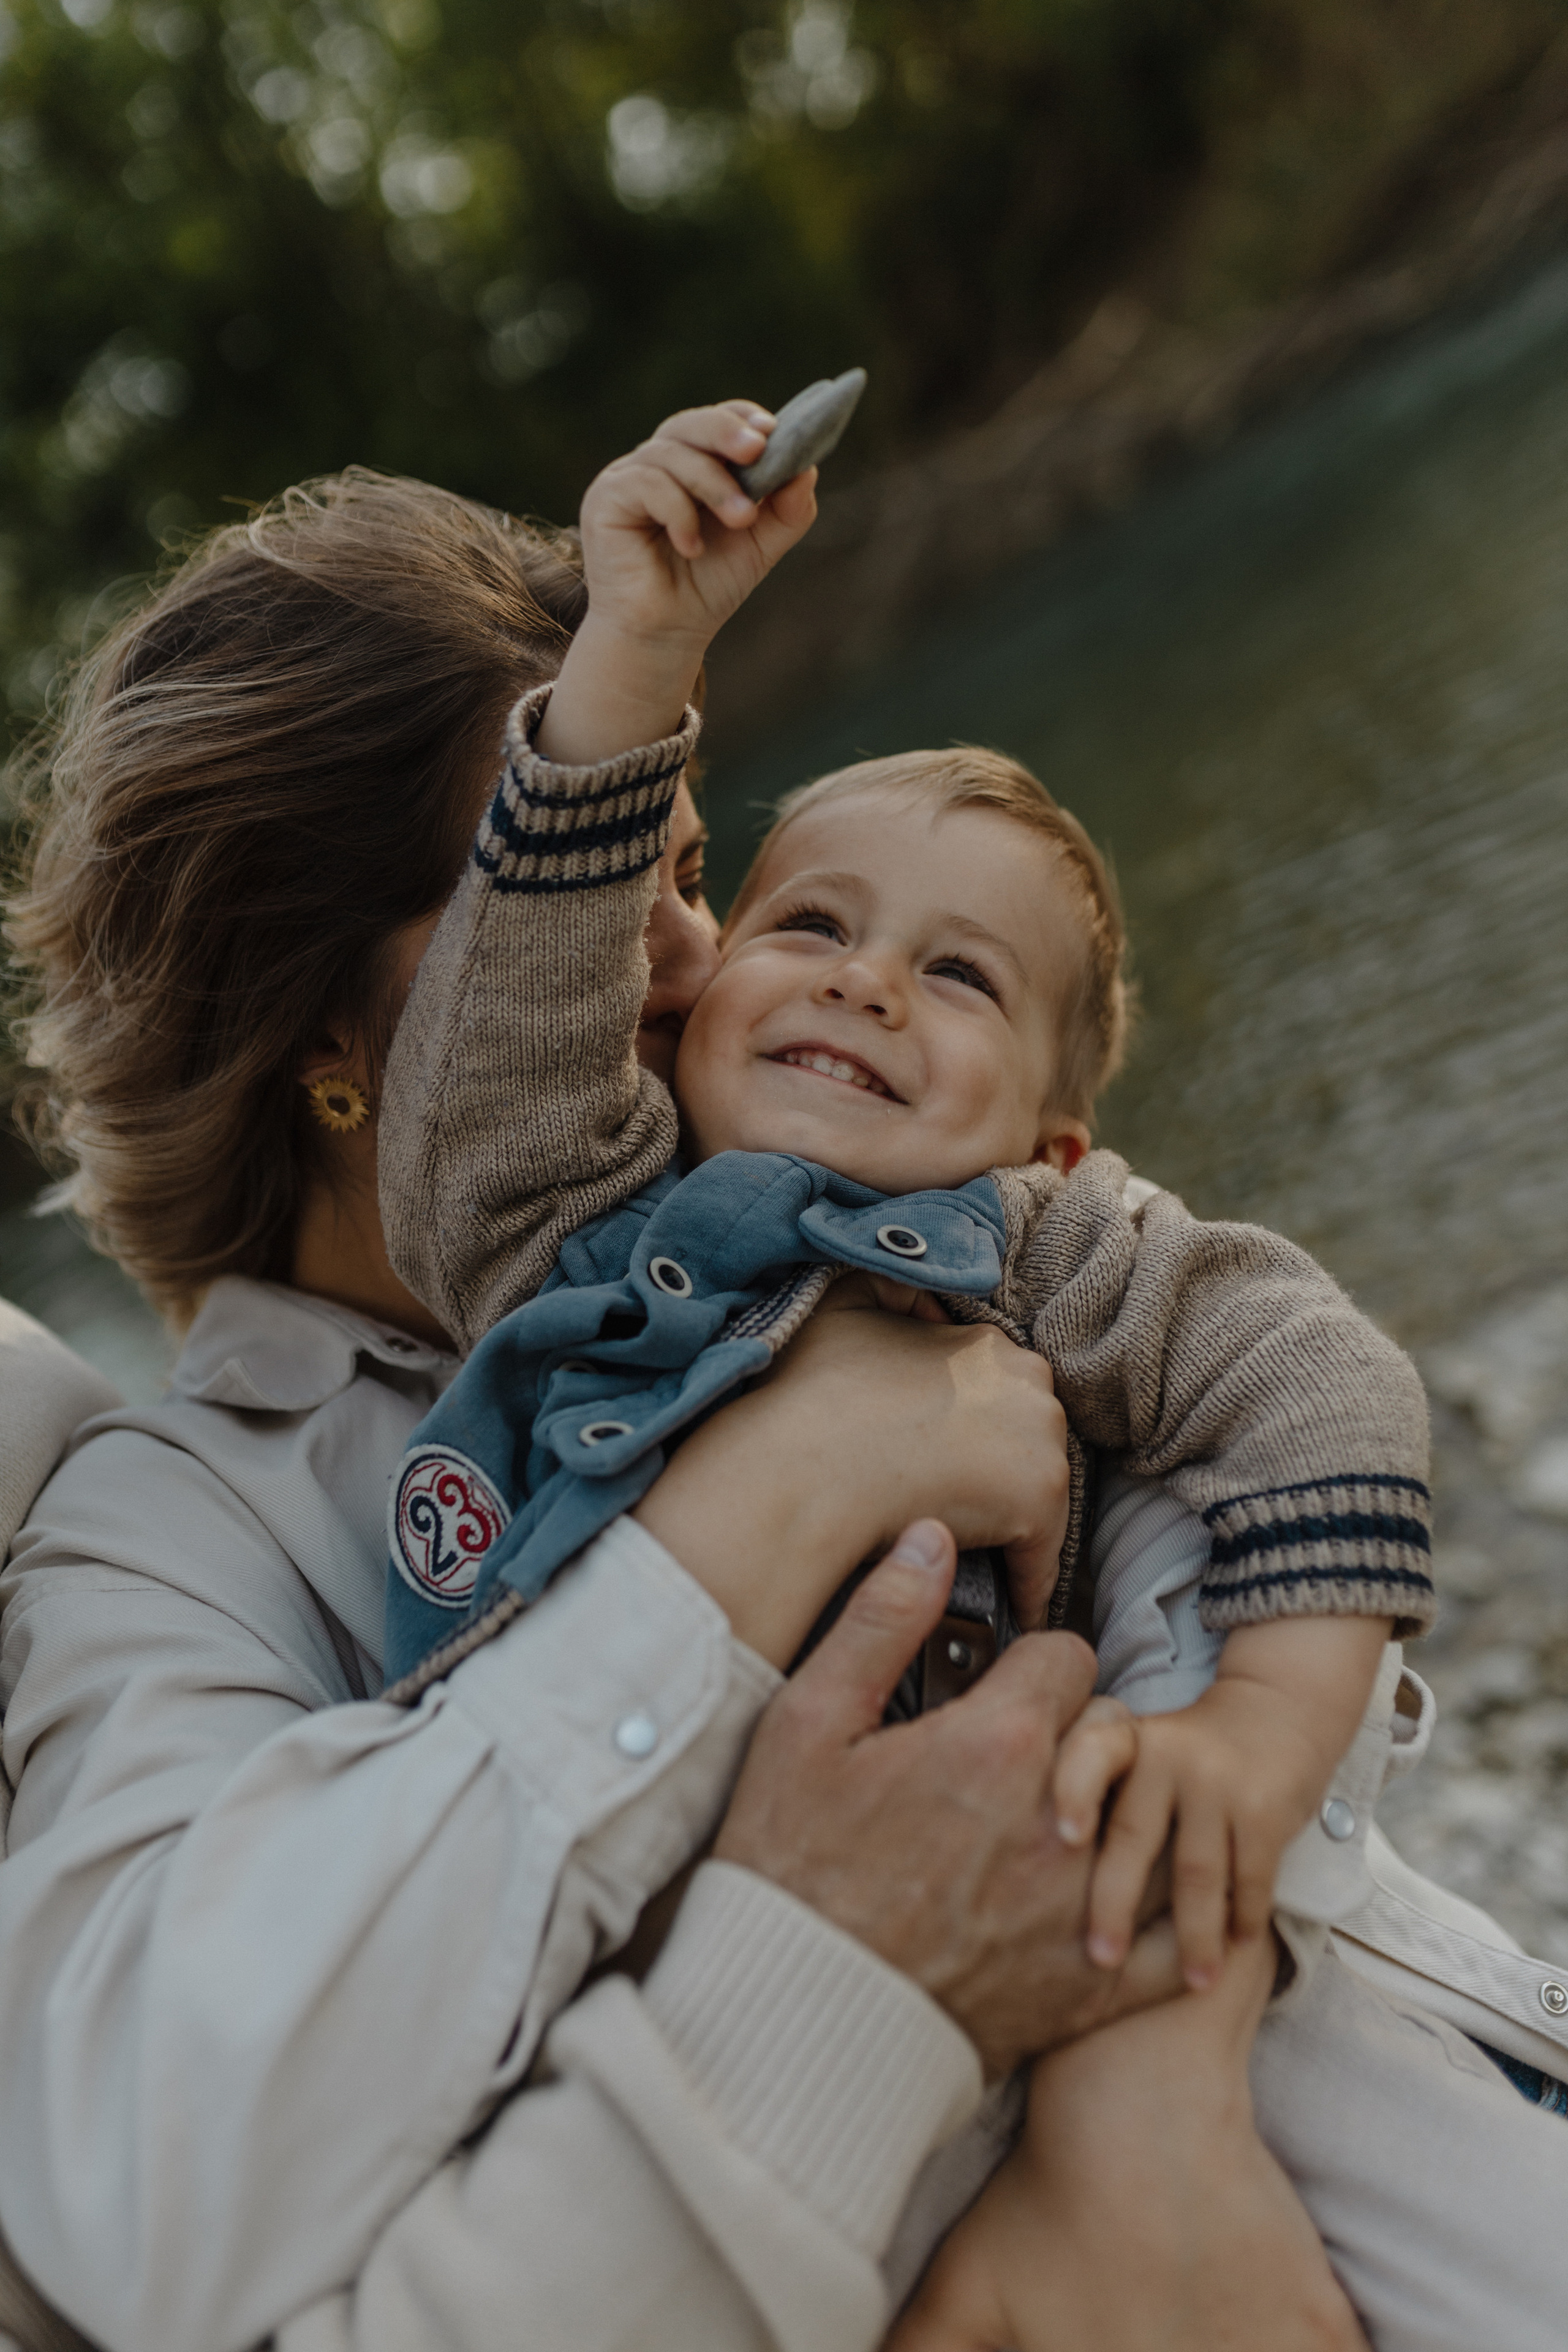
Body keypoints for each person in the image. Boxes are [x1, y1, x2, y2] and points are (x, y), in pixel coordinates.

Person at [1, 458, 1565, 2352]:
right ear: (326, 1040)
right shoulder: (179, 1535)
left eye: (680, 870)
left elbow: (1252, 1450)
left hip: (1378, 2108)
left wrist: (1149, 2082)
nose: (700, 956)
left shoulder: (898, 1212)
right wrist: (777, 1497)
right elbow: (155, 2185)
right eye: (562, 889)